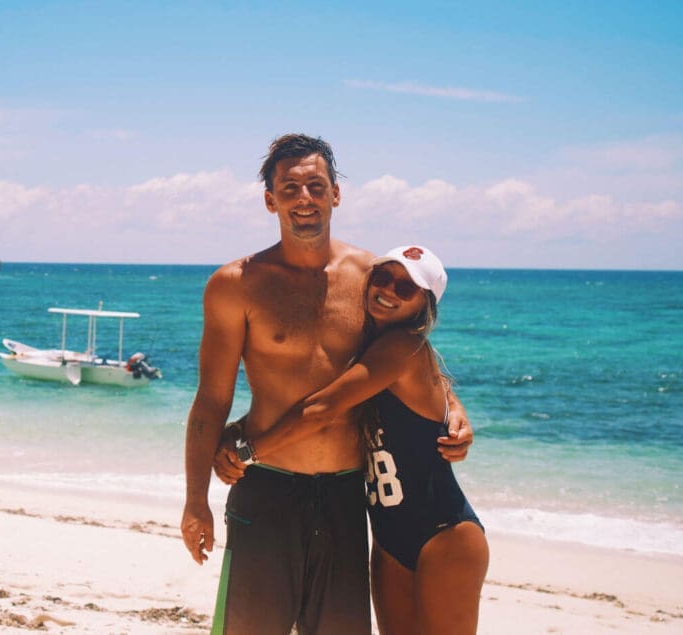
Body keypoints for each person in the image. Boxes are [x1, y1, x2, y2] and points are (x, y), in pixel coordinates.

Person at [180, 133, 473, 634]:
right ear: (270, 200)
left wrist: (452, 404)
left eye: (316, 186)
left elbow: (409, 350)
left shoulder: (371, 278)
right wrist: (194, 501)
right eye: (289, 189)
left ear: (336, 193)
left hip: (345, 494)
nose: (304, 200)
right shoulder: (235, 284)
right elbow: (211, 399)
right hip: (265, 488)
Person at [215, 245, 489, 635]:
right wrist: (243, 424)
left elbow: (324, 408)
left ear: (423, 307)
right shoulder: (367, 348)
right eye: (383, 277)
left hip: (444, 532)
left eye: (406, 288)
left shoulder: (402, 347)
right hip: (388, 537)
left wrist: (248, 450)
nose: (389, 290)